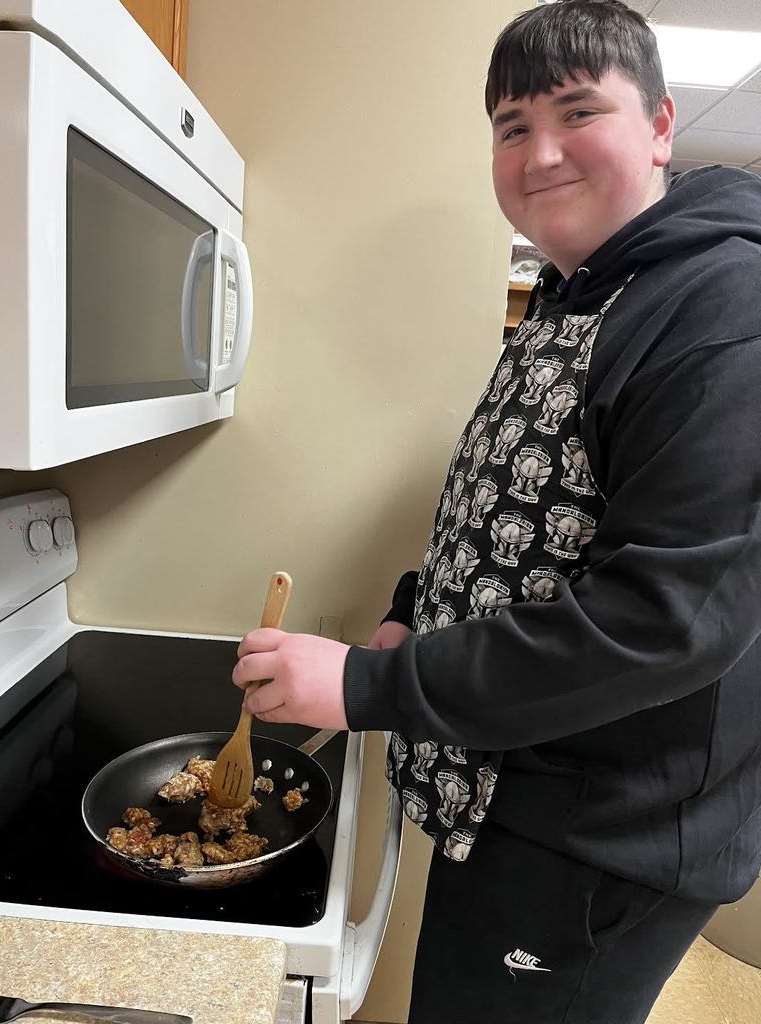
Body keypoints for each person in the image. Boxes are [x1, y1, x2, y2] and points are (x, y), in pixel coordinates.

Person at [233, 2, 761, 1021]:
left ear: (659, 124)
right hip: (519, 791)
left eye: (577, 112)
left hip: (604, 836)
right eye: (512, 126)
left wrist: (370, 681)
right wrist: (414, 603)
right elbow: (510, 495)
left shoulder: (722, 310)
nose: (542, 152)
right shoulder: (578, 296)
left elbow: (664, 621)